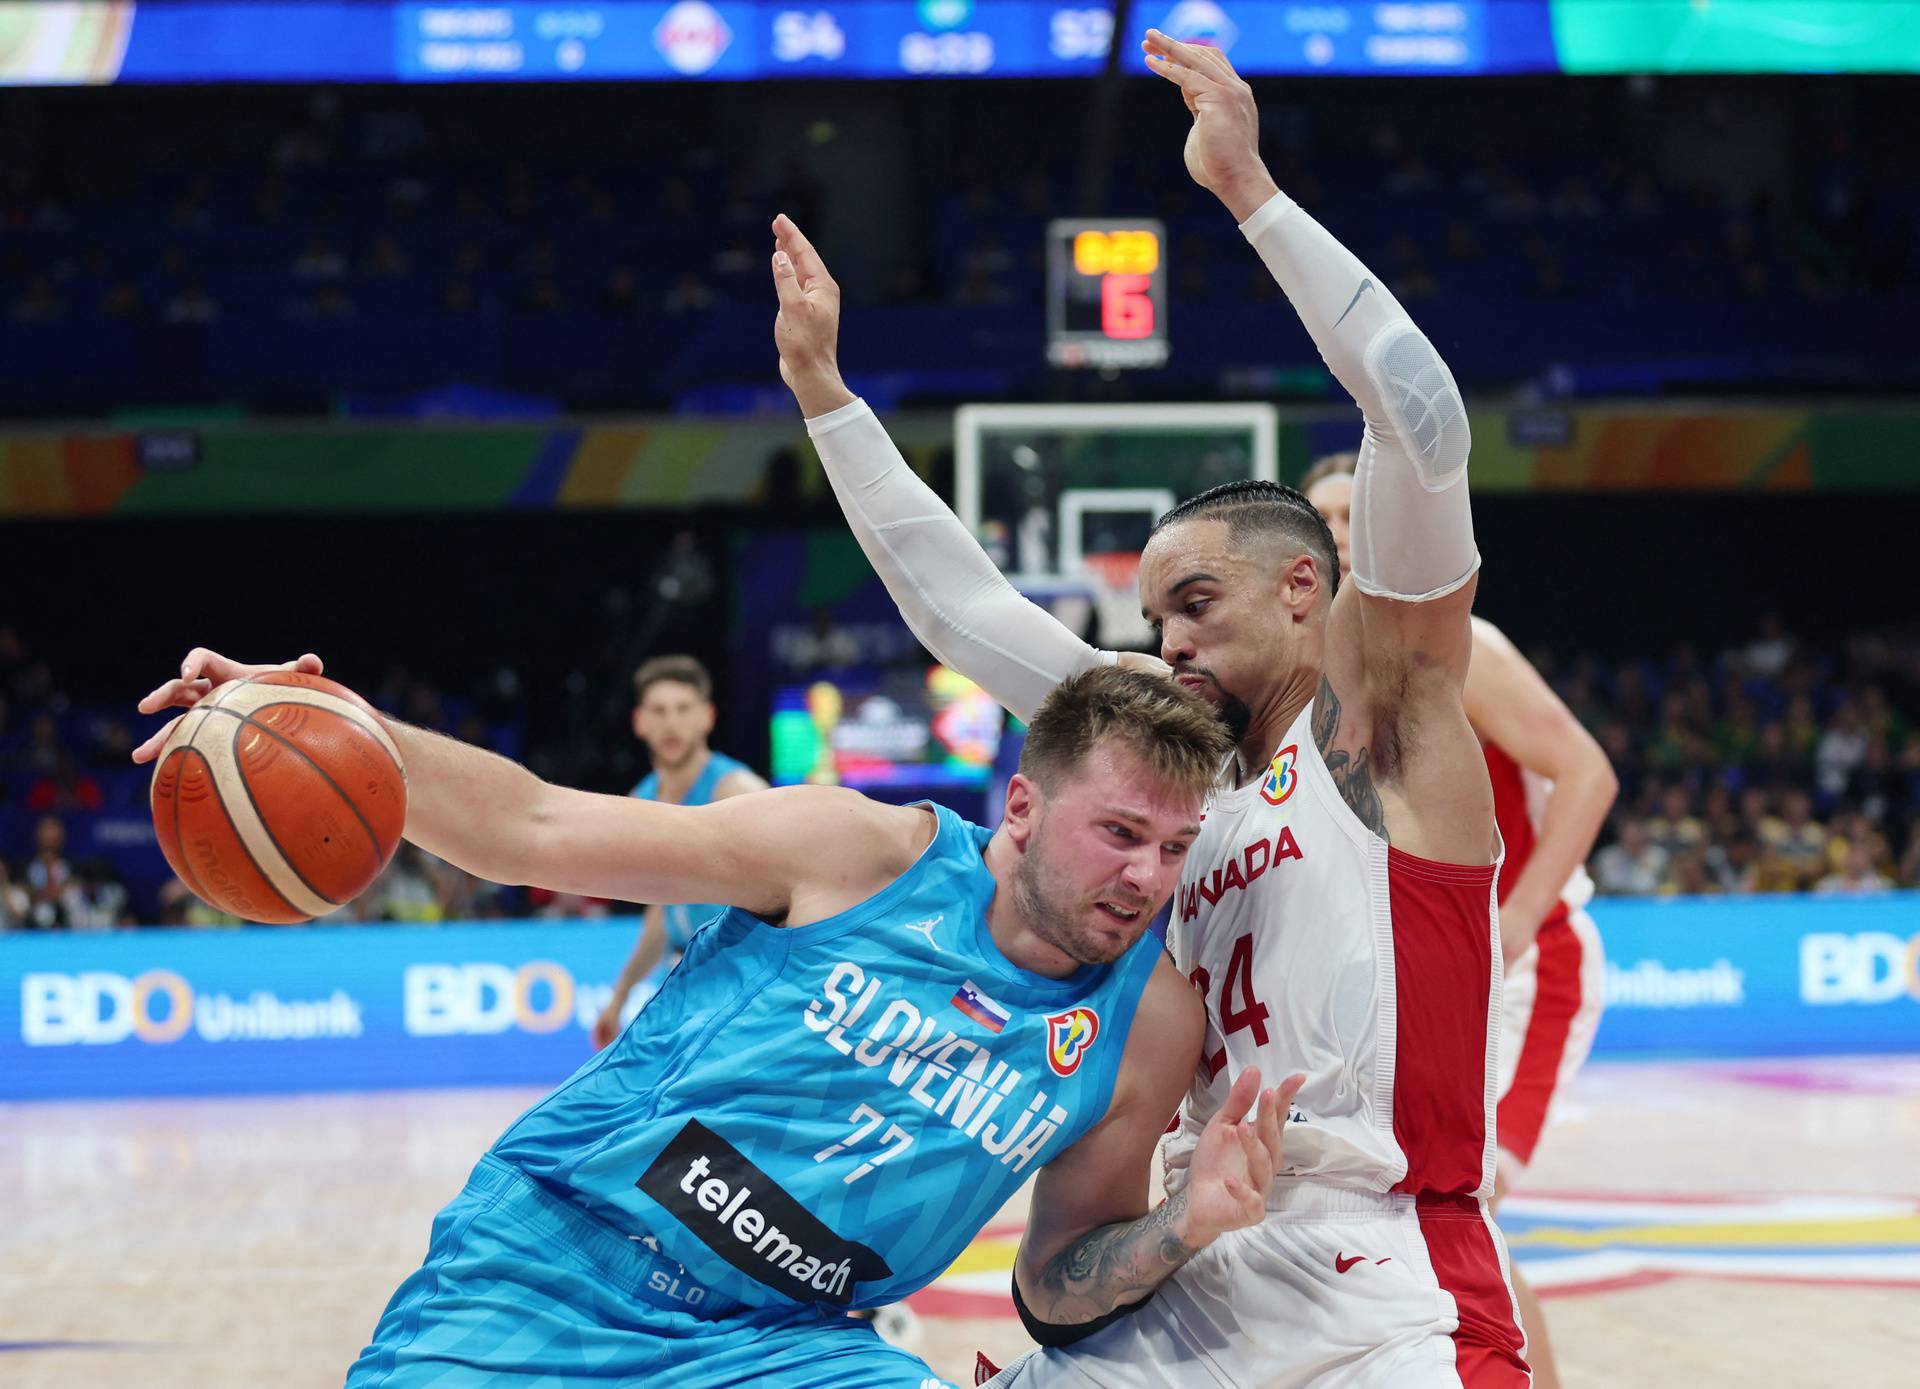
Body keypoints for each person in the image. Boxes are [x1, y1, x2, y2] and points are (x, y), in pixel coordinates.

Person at [771, 29, 1527, 1388]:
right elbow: (961, 613)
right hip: (1196, 1261)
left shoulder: (1384, 729)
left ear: (1305, 589)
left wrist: (1249, 193)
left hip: (1386, 1284)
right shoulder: (1189, 800)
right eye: (1153, 616)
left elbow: (1421, 416)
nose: (1161, 641)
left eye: (1195, 604)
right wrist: (828, 400)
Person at [135, 649, 1302, 1389]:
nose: (1147, 877)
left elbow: (1053, 1282)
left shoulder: (1147, 1020)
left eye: (1174, 849)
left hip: (786, 1347)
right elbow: (533, 830)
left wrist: (1178, 1232)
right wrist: (336, 727)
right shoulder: (860, 852)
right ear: (1021, 806)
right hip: (554, 1266)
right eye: (1119, 835)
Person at [1305, 453, 1617, 1389]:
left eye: (1358, 513)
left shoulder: (1462, 644)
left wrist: (1516, 920)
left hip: (1523, 958)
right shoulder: (1316, 673)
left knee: (1459, 1200)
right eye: (1322, 518)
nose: (1341, 534)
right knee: (1405, 1200)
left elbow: (1588, 772)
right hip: (1417, 971)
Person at [593, 655, 769, 1050]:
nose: (671, 722)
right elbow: (664, 909)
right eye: (659, 710)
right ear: (640, 722)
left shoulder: (737, 791)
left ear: (707, 717)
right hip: (685, 983)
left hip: (745, 987)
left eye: (683, 709)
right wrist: (620, 996)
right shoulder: (641, 801)